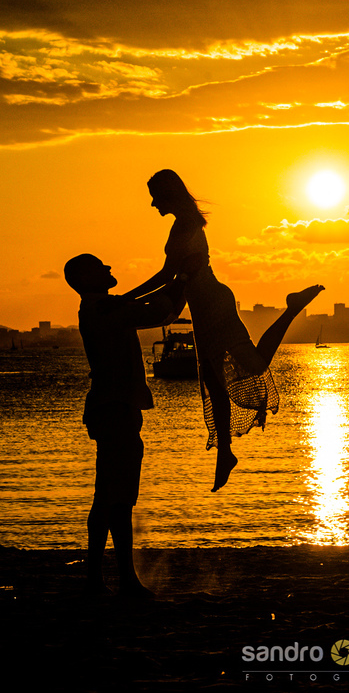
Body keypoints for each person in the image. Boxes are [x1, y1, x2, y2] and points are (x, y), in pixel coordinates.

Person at [127, 169, 323, 492]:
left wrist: (125, 299)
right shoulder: (185, 222)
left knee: (254, 364)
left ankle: (292, 308)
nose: (152, 204)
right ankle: (225, 453)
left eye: (154, 196)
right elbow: (175, 282)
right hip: (204, 305)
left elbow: (166, 276)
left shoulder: (185, 224)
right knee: (213, 381)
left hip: (213, 303)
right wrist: (135, 302)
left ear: (167, 194)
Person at [64, 252, 178, 596]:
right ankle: (116, 579)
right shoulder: (103, 309)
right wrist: (185, 280)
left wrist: (176, 280)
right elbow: (160, 311)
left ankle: (106, 578)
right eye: (100, 266)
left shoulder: (105, 307)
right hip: (115, 409)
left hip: (113, 408)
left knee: (113, 498)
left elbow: (152, 305)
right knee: (115, 498)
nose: (109, 267)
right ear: (86, 279)